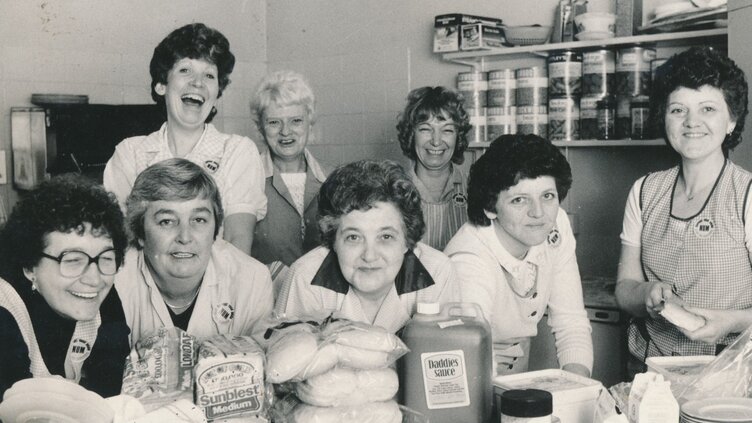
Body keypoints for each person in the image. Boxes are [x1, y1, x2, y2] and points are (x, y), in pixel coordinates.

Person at [615, 47, 752, 370]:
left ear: (731, 120)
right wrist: (646, 293)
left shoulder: (746, 195)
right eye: (678, 110)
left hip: (729, 375)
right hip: (650, 367)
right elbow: (624, 290)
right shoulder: (644, 191)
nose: (692, 122)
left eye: (708, 109)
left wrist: (728, 321)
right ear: (664, 117)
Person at [104, 22, 266, 255]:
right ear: (161, 85)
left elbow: (237, 240)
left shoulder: (237, 150)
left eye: (209, 75)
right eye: (185, 70)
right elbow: (120, 241)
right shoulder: (130, 153)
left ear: (217, 92)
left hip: (216, 285)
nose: (198, 82)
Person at [445, 134, 593, 377]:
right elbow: (466, 360)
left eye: (547, 196)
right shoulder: (468, 259)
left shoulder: (556, 226)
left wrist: (576, 391)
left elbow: (571, 323)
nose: (538, 213)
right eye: (519, 200)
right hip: (472, 383)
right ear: (490, 208)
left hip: (513, 378)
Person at [275, 160, 459, 333]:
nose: (369, 256)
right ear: (333, 240)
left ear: (407, 240)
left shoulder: (436, 271)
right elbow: (286, 360)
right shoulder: (305, 277)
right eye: (353, 237)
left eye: (385, 236)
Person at [115, 158, 273, 346]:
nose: (185, 237)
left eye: (198, 220)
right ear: (139, 232)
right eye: (167, 221)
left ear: (215, 229)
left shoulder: (252, 279)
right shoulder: (113, 279)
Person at [0, 175, 130, 398]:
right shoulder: (4, 310)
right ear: (30, 266)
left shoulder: (99, 290)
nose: (94, 278)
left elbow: (110, 389)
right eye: (72, 260)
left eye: (106, 258)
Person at [249, 70, 329, 283]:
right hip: (266, 301)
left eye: (295, 121)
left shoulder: (333, 180)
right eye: (274, 122)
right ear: (260, 128)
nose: (286, 132)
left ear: (309, 123)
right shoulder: (246, 178)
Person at [396, 86, 471, 251]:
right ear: (411, 134)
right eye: (425, 129)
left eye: (447, 130)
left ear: (458, 137)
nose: (436, 141)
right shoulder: (394, 192)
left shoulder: (476, 189)